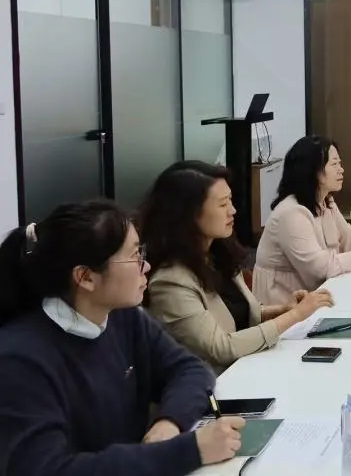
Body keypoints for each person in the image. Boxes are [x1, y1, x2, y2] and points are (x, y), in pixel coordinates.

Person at [0, 200, 246, 476]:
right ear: (85, 277)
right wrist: (189, 450)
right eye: (134, 255)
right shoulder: (19, 359)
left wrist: (169, 422)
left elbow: (190, 369)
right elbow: (48, 469)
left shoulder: (121, 316)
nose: (146, 265)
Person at [141, 161, 336, 375]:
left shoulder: (218, 254)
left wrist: (282, 310)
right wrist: (295, 316)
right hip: (213, 384)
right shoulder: (170, 281)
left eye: (231, 201)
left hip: (248, 367)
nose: (232, 211)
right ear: (189, 213)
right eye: (222, 205)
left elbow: (237, 315)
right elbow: (221, 347)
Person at [253, 136, 351, 306]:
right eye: (334, 164)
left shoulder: (325, 201)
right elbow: (319, 268)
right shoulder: (291, 212)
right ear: (312, 170)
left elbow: (347, 235)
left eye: (340, 163)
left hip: (318, 294)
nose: (341, 170)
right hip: (285, 305)